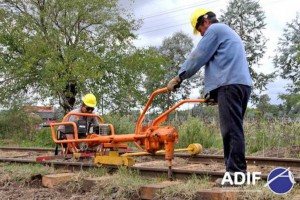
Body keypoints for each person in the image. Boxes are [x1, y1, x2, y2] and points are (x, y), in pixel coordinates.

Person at [167, 8, 253, 186]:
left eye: (200, 30)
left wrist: (179, 77)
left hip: (230, 85)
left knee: (231, 131)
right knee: (234, 129)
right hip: (240, 85)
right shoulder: (227, 32)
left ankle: (237, 176)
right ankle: (237, 174)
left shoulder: (214, 30)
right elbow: (223, 63)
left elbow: (198, 56)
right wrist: (214, 94)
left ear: (205, 21)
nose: (201, 35)